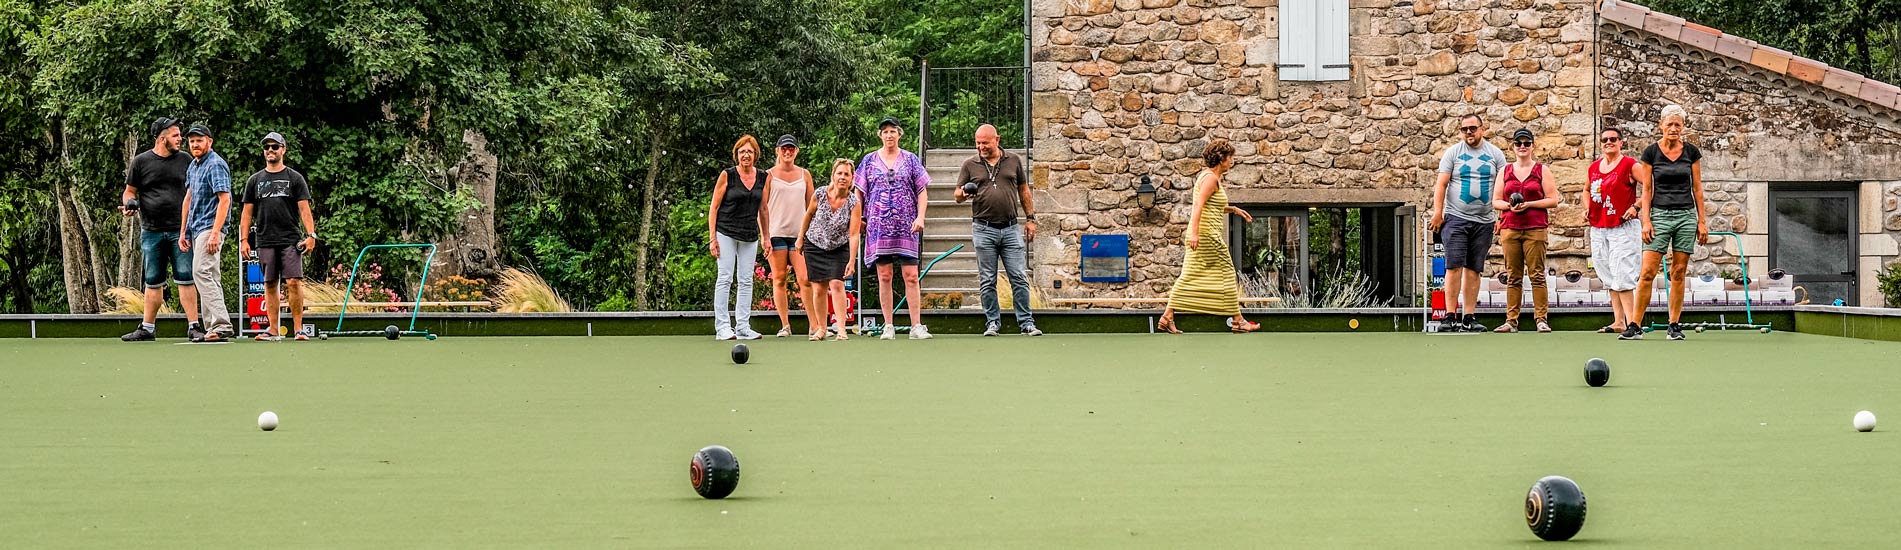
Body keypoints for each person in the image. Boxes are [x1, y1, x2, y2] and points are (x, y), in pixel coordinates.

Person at [1156, 139, 1257, 334]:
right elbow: (1198, 205)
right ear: (1221, 159)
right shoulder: (1211, 178)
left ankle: (1167, 317)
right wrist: (1194, 232)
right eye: (1230, 157)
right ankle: (1238, 321)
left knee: (1188, 275)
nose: (1232, 161)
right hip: (1207, 236)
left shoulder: (1208, 177)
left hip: (1203, 234)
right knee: (1227, 273)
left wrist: (1233, 209)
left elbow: (1212, 205)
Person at [954, 124, 1041, 337]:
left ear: (997, 140)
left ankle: (1026, 323)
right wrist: (963, 194)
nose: (981, 147)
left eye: (985, 142)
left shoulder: (1013, 161)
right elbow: (956, 194)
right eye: (978, 143)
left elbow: (1023, 189)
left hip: (1010, 228)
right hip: (983, 228)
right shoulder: (970, 164)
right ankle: (992, 322)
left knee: (1019, 276)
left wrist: (1030, 219)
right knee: (987, 279)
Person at [119, 117, 201, 342]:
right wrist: (130, 204)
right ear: (162, 138)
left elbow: (197, 189)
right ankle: (147, 328)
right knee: (153, 280)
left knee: (185, 277)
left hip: (181, 231)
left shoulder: (186, 160)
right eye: (176, 135)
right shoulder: (141, 162)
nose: (180, 139)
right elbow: (129, 191)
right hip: (151, 231)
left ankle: (194, 326)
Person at [1631, 105, 1705, 341]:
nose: (1673, 129)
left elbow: (1697, 188)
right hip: (1660, 216)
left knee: (1679, 272)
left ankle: (1674, 325)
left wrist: (1702, 222)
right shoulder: (1651, 153)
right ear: (1661, 125)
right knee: (1647, 272)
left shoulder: (1691, 152)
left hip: (1685, 216)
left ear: (1683, 127)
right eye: (1669, 124)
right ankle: (1635, 325)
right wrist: (1646, 221)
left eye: (1678, 124)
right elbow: (1647, 189)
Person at [1429, 114, 1506, 333]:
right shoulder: (1453, 153)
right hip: (1456, 218)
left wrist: (1501, 217)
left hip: (1483, 221)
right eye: (1464, 129)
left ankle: (1469, 316)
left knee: (1474, 269)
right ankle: (1450, 315)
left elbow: (1504, 188)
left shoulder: (1495, 155)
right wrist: (1438, 213)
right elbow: (1441, 184)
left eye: (1473, 128)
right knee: (1453, 266)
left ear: (1482, 129)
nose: (1469, 133)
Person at [856, 117, 932, 340]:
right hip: (879, 226)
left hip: (906, 226)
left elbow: (922, 190)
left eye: (892, 131)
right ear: (880, 135)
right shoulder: (869, 160)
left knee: (910, 275)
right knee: (885, 275)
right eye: (885, 131)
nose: (889, 135)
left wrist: (920, 217)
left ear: (899, 134)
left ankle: (916, 324)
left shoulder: (910, 159)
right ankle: (888, 324)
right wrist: (860, 217)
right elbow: (858, 191)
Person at [238, 132, 317, 341]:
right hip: (265, 239)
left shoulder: (294, 178)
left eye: (275, 146)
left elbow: (304, 209)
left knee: (293, 281)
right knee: (270, 283)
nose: (270, 151)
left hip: (290, 239)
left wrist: (312, 235)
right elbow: (246, 213)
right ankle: (273, 330)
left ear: (283, 149)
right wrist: (244, 240)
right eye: (267, 147)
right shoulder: (254, 180)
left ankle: (298, 329)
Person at [1490, 128, 1561, 333]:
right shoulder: (1505, 171)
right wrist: (1509, 207)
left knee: (1537, 274)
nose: (1522, 146)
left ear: (1532, 146)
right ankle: (1511, 320)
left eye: (1526, 143)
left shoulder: (1542, 170)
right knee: (1513, 275)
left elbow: (1553, 199)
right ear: (1513, 146)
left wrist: (1529, 204)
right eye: (1519, 143)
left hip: (1535, 228)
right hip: (1510, 228)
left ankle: (1541, 319)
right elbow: (1496, 201)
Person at [1587, 127, 1647, 337]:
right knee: (1608, 273)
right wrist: (1587, 207)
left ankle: (1634, 324)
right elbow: (1586, 190)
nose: (1608, 142)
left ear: (1621, 142)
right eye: (1604, 139)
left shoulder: (1629, 165)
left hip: (1622, 226)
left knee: (1623, 272)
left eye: (1613, 139)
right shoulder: (1594, 167)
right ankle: (1618, 321)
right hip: (1599, 226)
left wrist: (1636, 206)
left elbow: (1650, 186)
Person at [177, 124, 235, 341]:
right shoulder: (193, 165)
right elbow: (188, 199)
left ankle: (220, 324)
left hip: (210, 227)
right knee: (210, 275)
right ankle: (214, 328)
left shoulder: (216, 164)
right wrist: (183, 231)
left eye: (199, 140)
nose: (194, 144)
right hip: (196, 228)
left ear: (209, 141)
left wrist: (215, 233)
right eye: (191, 141)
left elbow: (225, 199)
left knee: (200, 271)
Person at [708, 135, 768, 341]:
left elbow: (763, 208)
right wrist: (712, 238)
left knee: (746, 280)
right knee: (725, 278)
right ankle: (723, 327)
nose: (746, 155)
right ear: (736, 155)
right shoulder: (728, 175)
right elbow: (714, 207)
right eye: (742, 152)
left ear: (755, 155)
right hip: (725, 231)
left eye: (750, 152)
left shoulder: (762, 177)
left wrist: (766, 237)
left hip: (749, 235)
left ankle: (743, 326)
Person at [795, 158, 863, 341]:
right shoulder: (820, 194)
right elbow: (808, 214)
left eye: (846, 174)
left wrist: (851, 260)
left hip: (838, 248)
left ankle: (841, 329)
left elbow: (854, 233)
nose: (842, 177)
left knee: (837, 284)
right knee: (818, 288)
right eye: (839, 173)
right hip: (814, 244)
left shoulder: (853, 203)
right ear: (833, 175)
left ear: (852, 178)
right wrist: (800, 238)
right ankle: (821, 329)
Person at [762, 134, 813, 338]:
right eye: (784, 148)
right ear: (777, 151)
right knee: (780, 278)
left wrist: (810, 234)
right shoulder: (768, 175)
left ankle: (814, 325)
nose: (787, 152)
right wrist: (764, 236)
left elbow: (812, 207)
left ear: (796, 151)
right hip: (776, 234)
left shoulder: (804, 174)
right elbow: (762, 208)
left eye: (791, 148)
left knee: (805, 279)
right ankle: (785, 325)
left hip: (799, 235)